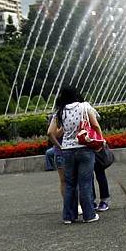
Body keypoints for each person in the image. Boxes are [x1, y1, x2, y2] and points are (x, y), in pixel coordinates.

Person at [47, 85, 102, 224]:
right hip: (84, 148)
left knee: (70, 184)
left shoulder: (60, 112)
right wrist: (100, 141)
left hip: (67, 151)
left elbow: (50, 132)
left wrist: (59, 146)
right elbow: (95, 125)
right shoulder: (84, 106)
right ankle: (89, 215)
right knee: (85, 183)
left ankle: (68, 216)